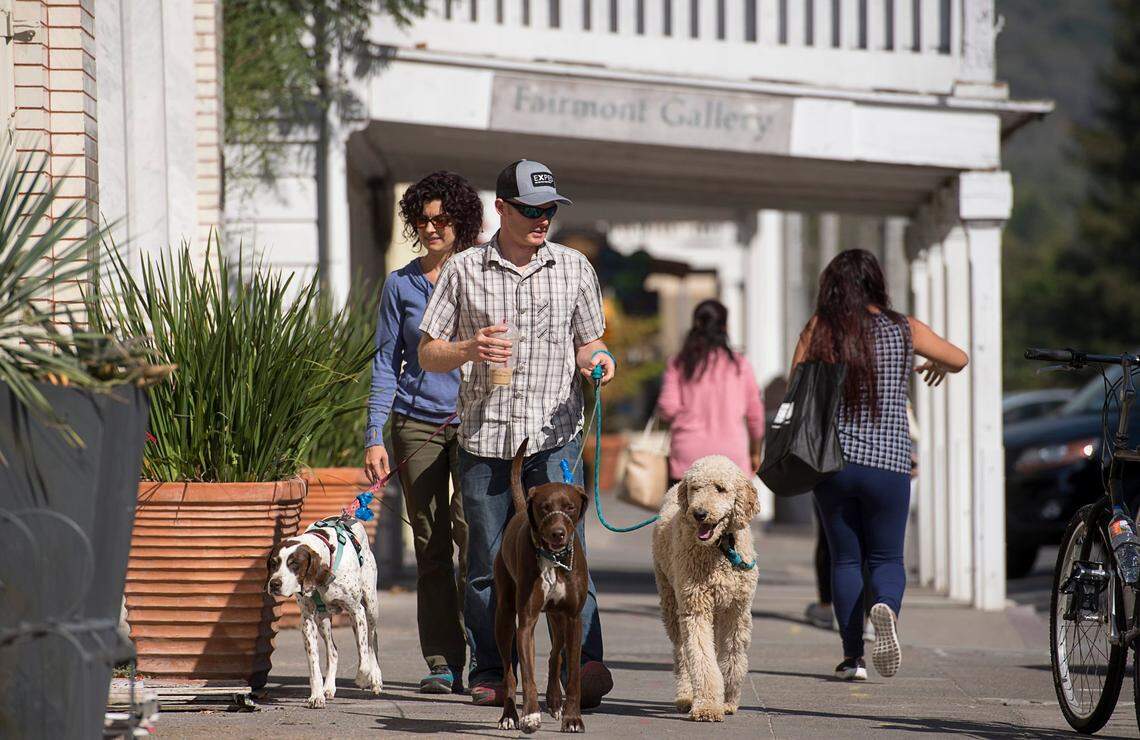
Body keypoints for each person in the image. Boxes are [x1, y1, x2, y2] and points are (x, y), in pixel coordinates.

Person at [417, 159, 617, 709]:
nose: (542, 219)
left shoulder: (574, 266)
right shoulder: (463, 270)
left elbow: (588, 341)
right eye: (531, 209)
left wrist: (598, 360)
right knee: (485, 562)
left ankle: (580, 668)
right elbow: (427, 351)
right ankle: (492, 670)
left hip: (555, 435)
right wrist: (469, 348)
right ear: (501, 208)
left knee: (567, 552)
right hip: (485, 440)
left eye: (549, 209)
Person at [791, 248, 967, 682]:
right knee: (887, 556)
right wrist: (933, 364)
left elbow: (796, 385)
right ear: (876, 282)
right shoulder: (903, 328)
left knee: (845, 560)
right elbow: (959, 358)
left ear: (832, 286)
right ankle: (885, 605)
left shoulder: (821, 329)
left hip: (833, 463)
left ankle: (854, 659)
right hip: (889, 464)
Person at [363, 171, 483, 695]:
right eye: (422, 220)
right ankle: (442, 662)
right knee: (431, 546)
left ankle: (488, 658)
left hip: (480, 423)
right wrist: (374, 434)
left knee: (476, 538)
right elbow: (386, 362)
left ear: (461, 221)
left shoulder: (482, 273)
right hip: (417, 425)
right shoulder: (401, 284)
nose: (432, 228)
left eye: (442, 218)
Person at [655, 299, 765, 487]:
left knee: (683, 515)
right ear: (725, 327)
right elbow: (756, 417)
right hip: (732, 458)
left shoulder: (679, 363)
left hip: (688, 456)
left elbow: (667, 408)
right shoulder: (740, 365)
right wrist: (755, 453)